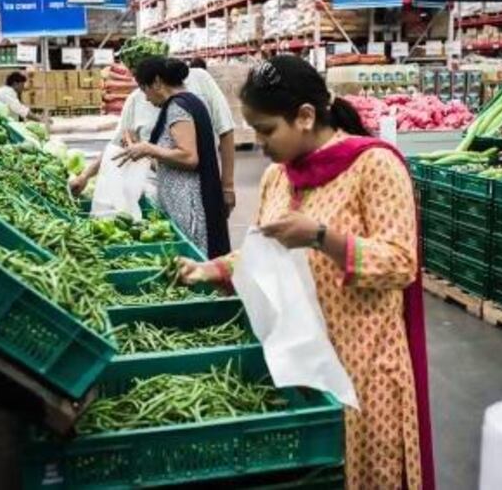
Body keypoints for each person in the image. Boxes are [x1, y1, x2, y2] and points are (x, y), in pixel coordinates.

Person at [177, 56, 435, 489]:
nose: (260, 144)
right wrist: (213, 269)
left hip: (363, 367)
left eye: (266, 130)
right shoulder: (278, 178)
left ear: (305, 116)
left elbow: (399, 262)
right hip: (302, 363)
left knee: (364, 474)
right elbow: (265, 255)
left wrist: (321, 236)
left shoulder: (374, 167)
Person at [69, 42, 236, 215]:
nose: (144, 95)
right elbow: (117, 145)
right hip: (161, 189)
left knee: (200, 231)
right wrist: (85, 176)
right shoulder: (136, 100)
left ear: (156, 78)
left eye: (141, 80)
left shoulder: (189, 93)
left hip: (202, 183)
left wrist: (228, 187)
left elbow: (221, 134)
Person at [114, 56, 230, 258]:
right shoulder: (190, 102)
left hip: (190, 206)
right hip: (189, 202)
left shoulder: (178, 107)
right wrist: (141, 151)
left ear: (157, 82)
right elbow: (172, 158)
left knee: (195, 262)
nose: (146, 99)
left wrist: (149, 148)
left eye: (145, 90)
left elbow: (189, 157)